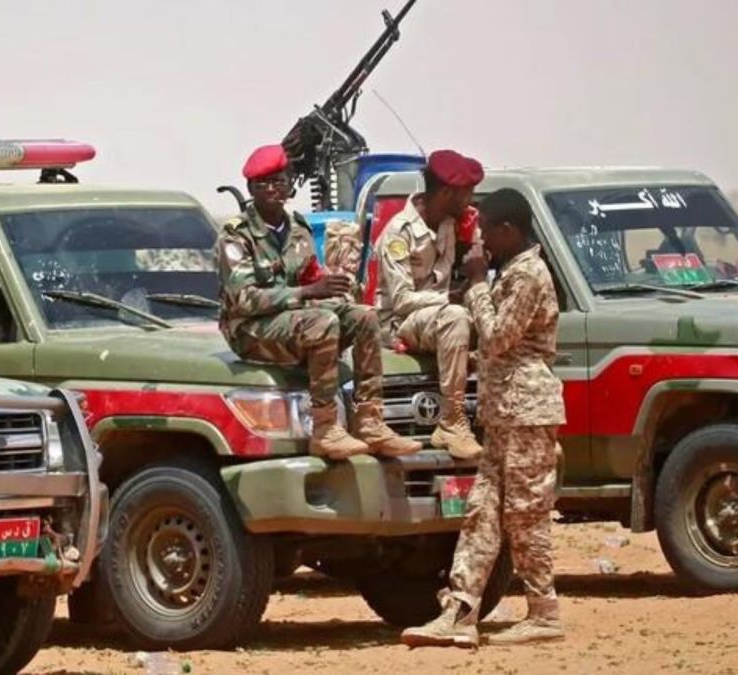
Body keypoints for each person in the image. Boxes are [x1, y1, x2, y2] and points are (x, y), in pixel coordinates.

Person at [401, 188, 567, 648]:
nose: (482, 241)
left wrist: (475, 283)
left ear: (509, 230)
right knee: (482, 513)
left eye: (487, 230)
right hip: (505, 414)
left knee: (525, 514)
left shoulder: (528, 274)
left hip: (527, 413)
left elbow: (496, 338)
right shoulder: (512, 272)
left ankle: (543, 613)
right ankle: (460, 610)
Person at [215, 144, 420, 459]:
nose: (271, 189)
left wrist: (335, 287)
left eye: (278, 181)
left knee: (364, 317)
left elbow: (312, 276)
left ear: (290, 186)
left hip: (292, 320)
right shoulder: (236, 236)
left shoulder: (299, 229)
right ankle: (325, 428)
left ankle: (370, 421)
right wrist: (306, 293)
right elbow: (243, 299)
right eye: (262, 184)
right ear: (251, 189)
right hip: (249, 330)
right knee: (323, 322)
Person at [377, 149, 486, 460]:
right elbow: (401, 300)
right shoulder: (399, 232)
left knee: (492, 318)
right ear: (447, 193)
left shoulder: (451, 223)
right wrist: (447, 299)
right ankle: (453, 421)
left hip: (437, 317)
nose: (471, 199)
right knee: (455, 317)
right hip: (401, 323)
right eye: (467, 192)